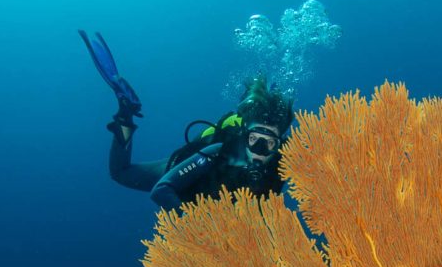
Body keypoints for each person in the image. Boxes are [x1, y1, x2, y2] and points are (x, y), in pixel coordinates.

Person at [79, 31, 294, 211]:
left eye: (268, 144)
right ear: (244, 135)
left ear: (279, 145)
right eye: (254, 139)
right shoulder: (218, 151)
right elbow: (161, 190)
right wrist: (197, 228)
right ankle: (126, 116)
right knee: (120, 173)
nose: (258, 149)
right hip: (183, 175)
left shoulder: (281, 165)